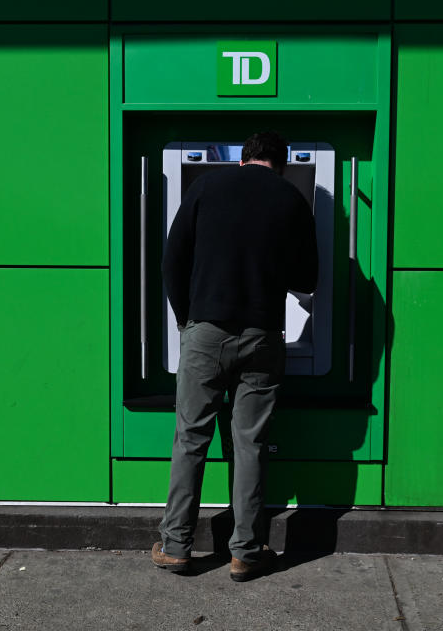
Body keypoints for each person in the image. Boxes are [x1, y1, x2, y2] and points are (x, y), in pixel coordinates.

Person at [152, 131, 318, 581]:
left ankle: (176, 546)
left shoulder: (206, 186)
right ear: (280, 164)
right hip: (263, 335)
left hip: (206, 331)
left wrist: (188, 321)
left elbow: (171, 261)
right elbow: (307, 280)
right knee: (251, 444)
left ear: (244, 159)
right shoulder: (293, 200)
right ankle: (245, 551)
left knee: (191, 437)